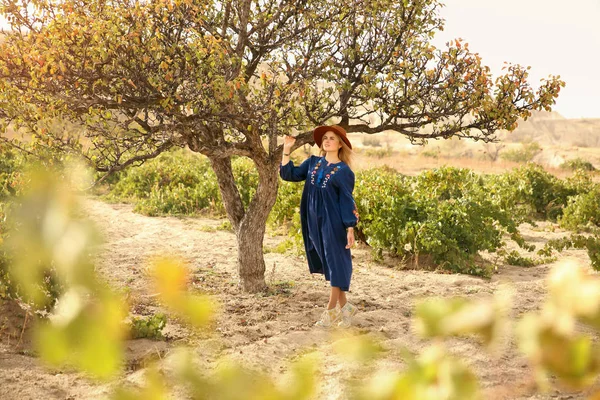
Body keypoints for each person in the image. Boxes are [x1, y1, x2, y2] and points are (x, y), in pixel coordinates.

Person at [280, 125, 360, 328]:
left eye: (332, 138)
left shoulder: (344, 172)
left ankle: (331, 311)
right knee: (331, 264)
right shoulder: (313, 163)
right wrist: (287, 149)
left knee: (335, 264)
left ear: (340, 144)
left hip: (333, 223)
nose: (327, 141)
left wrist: (350, 228)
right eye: (325, 138)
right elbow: (289, 174)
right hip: (314, 222)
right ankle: (346, 308)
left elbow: (347, 201)